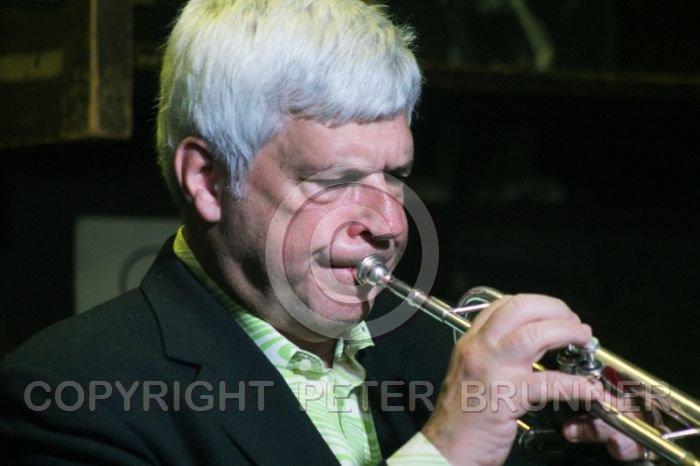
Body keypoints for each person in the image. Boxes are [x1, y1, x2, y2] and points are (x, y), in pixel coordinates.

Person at [1, 0, 646, 464]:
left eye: (396, 175)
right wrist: (444, 452)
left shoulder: (442, 357)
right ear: (206, 179)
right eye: (334, 181)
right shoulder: (67, 399)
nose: (390, 225)